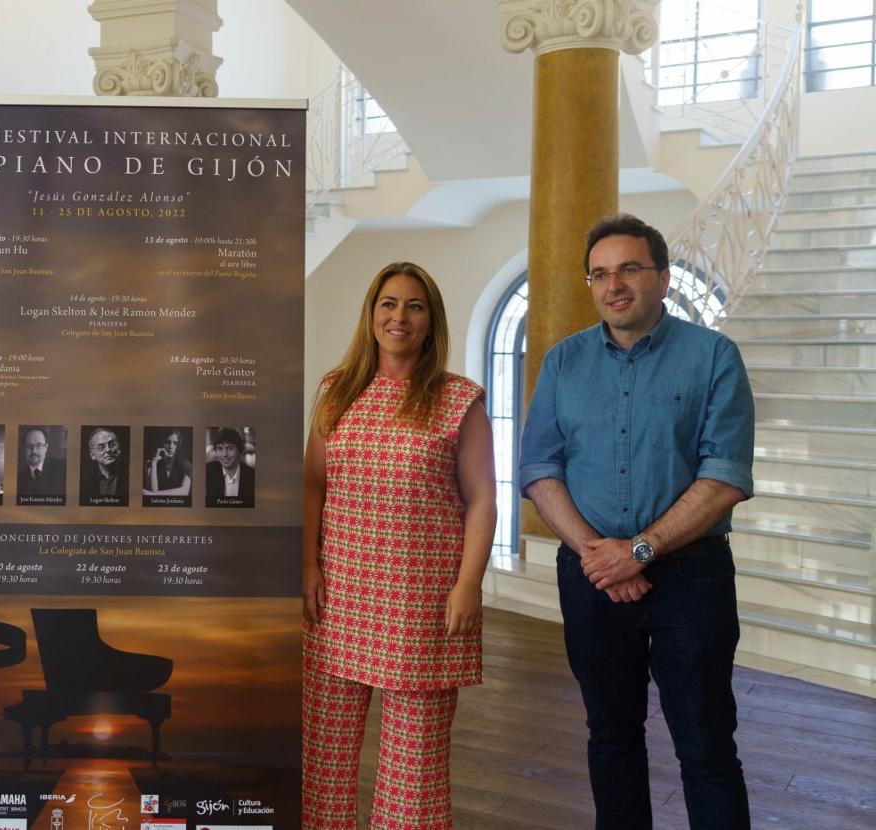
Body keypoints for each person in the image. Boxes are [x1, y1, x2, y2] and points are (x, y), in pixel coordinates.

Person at [520, 213, 755, 829]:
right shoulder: (563, 363)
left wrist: (641, 551)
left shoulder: (712, 357)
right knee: (610, 736)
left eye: (629, 268)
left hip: (691, 580)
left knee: (705, 744)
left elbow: (725, 474)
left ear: (663, 277)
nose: (613, 284)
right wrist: (602, 554)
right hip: (591, 577)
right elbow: (540, 469)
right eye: (599, 273)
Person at [301, 261, 496, 829]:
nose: (399, 316)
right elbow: (314, 483)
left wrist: (468, 584)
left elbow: (483, 499)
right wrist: (308, 564)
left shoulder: (459, 400)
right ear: (371, 314)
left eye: (414, 306)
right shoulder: (337, 390)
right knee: (324, 752)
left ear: (431, 321)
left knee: (415, 765)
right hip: (338, 594)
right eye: (388, 303)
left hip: (421, 600)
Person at [204, 427, 255, 507]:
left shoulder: (252, 476)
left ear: (239, 450)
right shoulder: (206, 472)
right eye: (220, 448)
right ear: (215, 451)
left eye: (230, 448)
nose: (225, 454)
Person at [81, 426, 128, 504]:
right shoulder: (85, 483)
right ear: (92, 455)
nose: (108, 449)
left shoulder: (129, 477)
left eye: (112, 445)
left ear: (119, 449)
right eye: (101, 447)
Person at [17, 427, 65, 499]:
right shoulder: (18, 478)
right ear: (24, 448)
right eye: (29, 446)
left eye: (38, 445)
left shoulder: (63, 469)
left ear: (46, 447)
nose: (33, 451)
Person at [143, 427, 191, 496]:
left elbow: (185, 491)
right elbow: (152, 492)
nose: (171, 446)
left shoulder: (185, 464)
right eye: (168, 442)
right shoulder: (150, 463)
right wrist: (154, 463)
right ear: (162, 443)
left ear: (178, 446)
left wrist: (156, 494)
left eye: (175, 443)